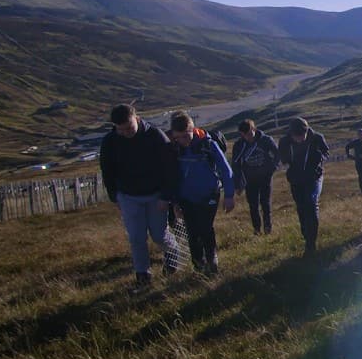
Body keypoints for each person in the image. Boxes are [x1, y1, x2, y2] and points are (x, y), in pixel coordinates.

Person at [99, 104, 180, 292]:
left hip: (155, 196)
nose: (126, 132)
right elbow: (107, 170)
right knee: (136, 238)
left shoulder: (156, 136)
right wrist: (115, 196)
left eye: (129, 127)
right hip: (128, 196)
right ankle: (143, 274)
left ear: (137, 118)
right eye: (121, 129)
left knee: (159, 235)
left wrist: (166, 196)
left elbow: (170, 169)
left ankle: (172, 253)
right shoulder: (110, 142)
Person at [168, 112, 235, 274]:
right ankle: (199, 265)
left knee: (205, 228)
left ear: (193, 129)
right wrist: (175, 202)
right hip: (186, 198)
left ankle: (212, 261)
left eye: (186, 136)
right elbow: (172, 176)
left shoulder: (208, 144)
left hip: (209, 195)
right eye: (178, 137)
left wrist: (229, 195)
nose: (183, 141)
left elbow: (226, 169)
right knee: (192, 232)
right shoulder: (174, 148)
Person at [278, 117, 329, 255]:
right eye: (296, 136)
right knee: (301, 207)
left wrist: (320, 158)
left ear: (306, 131)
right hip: (296, 180)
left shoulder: (317, 138)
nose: (299, 139)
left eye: (302, 136)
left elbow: (326, 153)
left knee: (311, 203)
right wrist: (288, 163)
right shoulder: (284, 141)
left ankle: (311, 243)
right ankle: (306, 234)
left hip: (314, 177)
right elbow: (283, 158)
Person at [231, 119, 279, 235]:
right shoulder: (239, 145)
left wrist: (272, 169)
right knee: (253, 206)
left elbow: (277, 154)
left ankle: (268, 228)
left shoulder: (266, 140)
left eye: (248, 134)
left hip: (265, 178)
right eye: (244, 135)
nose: (247, 138)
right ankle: (257, 230)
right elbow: (236, 165)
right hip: (250, 180)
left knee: (266, 203)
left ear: (254, 129)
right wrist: (238, 184)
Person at [345, 129, 362, 194]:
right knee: (361, 177)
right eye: (360, 134)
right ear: (358, 135)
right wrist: (349, 155)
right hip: (359, 163)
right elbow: (347, 147)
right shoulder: (355, 142)